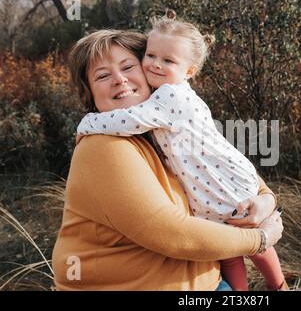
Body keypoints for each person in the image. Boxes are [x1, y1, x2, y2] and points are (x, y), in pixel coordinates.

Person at [51, 29, 284, 291]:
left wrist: (266, 200)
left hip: (210, 284)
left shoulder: (164, 129)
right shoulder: (103, 146)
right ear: (89, 93)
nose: (119, 79)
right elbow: (172, 234)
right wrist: (259, 239)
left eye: (128, 67)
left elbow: (226, 166)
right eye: (103, 75)